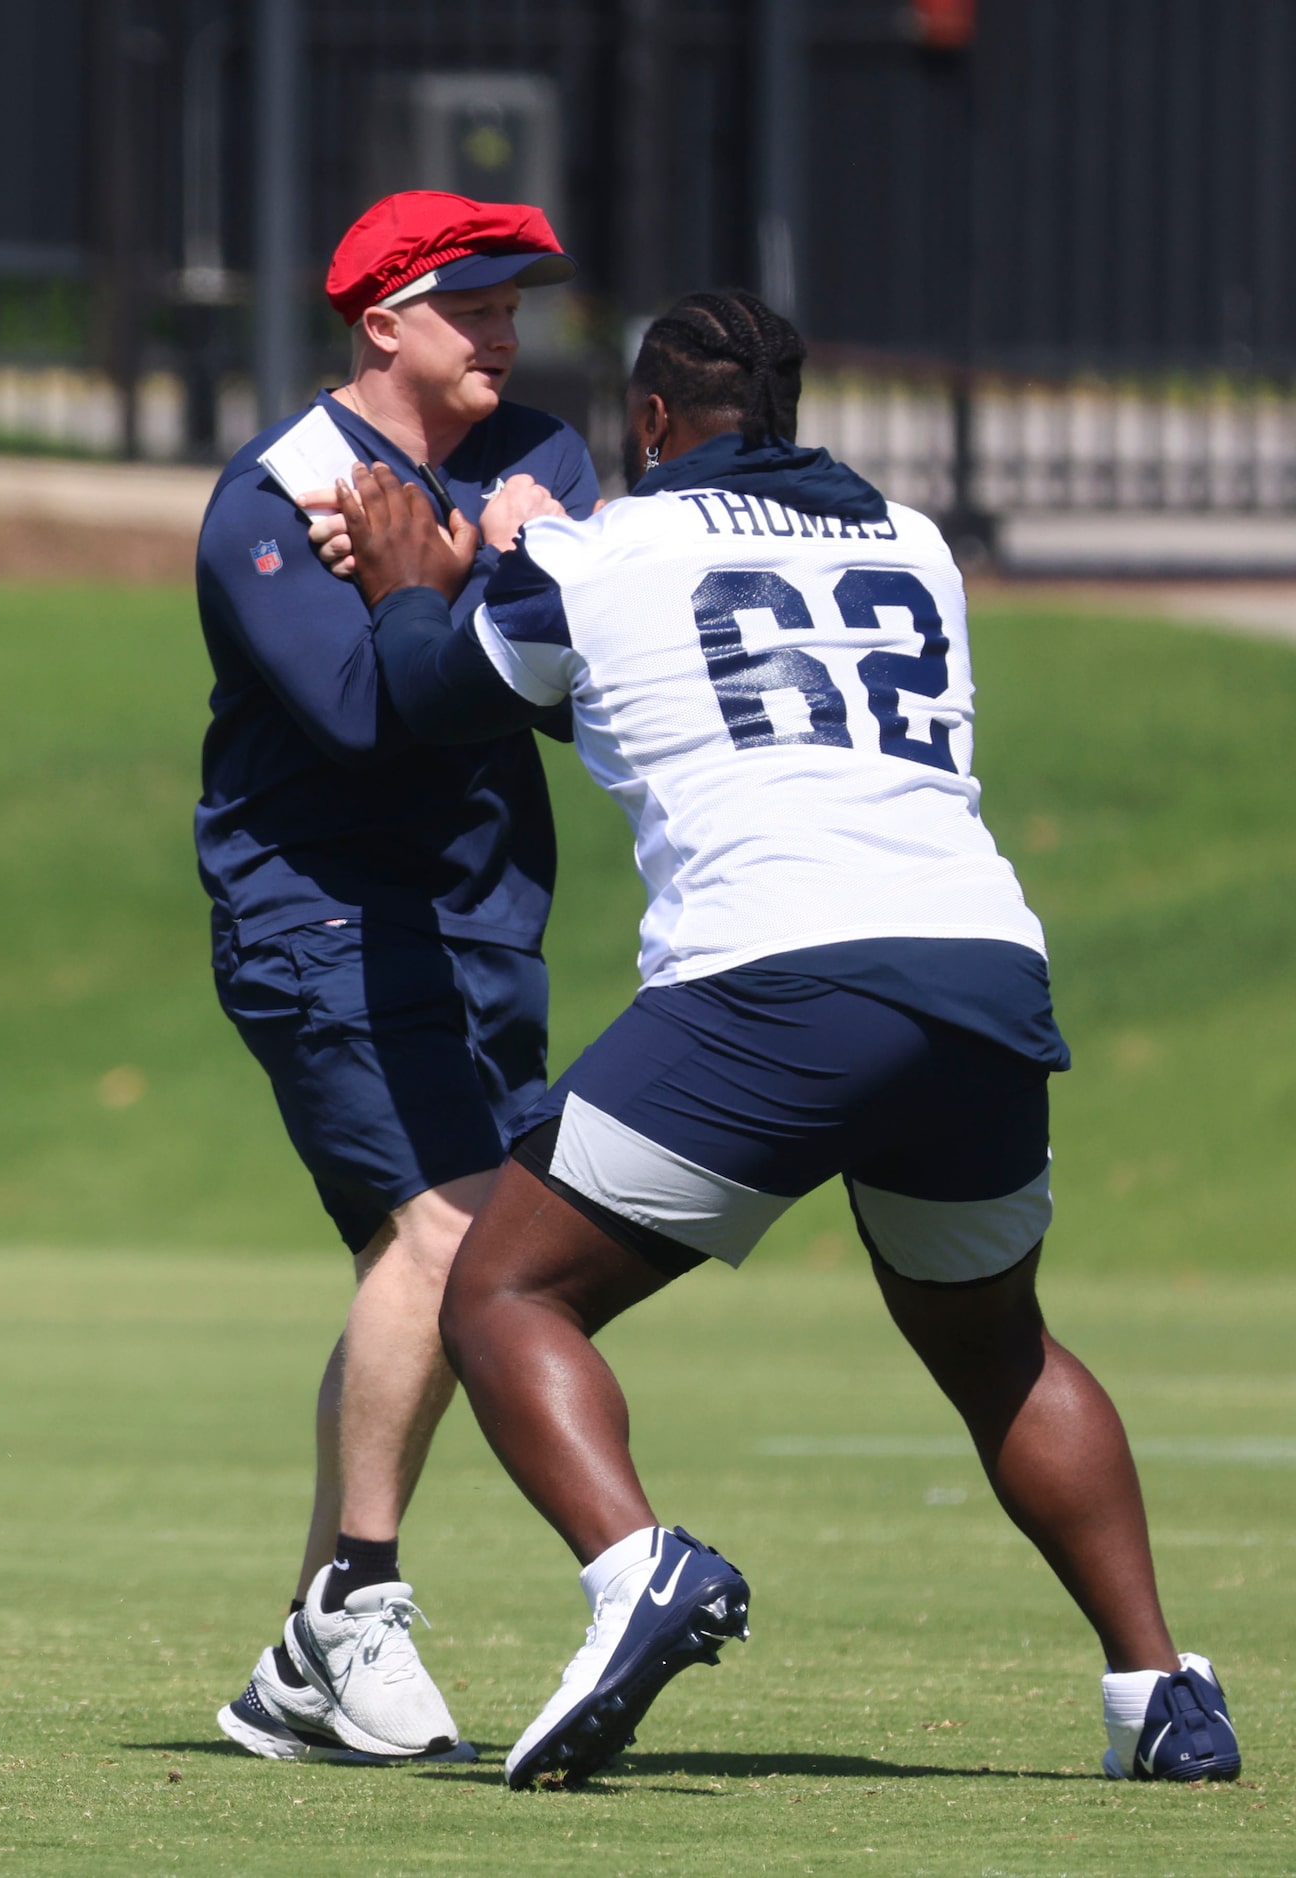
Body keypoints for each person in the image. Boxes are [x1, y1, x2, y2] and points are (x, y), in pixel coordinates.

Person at [316, 288, 1242, 1789]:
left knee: (501, 1290)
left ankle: (636, 1571)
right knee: (997, 1342)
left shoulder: (602, 553)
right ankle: (1163, 1687)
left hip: (782, 974)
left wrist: (426, 586)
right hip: (985, 969)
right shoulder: (919, 547)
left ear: (656, 424)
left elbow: (434, 701)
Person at [193, 191, 599, 1765]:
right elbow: (372, 714)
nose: (508, 330)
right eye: (474, 304)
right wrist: (475, 578)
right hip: (321, 916)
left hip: (487, 916)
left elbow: (573, 670)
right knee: (446, 1237)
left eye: (516, 304)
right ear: (381, 322)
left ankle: (306, 1648)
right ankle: (357, 1596)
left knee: (428, 1257)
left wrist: (428, 571)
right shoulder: (265, 496)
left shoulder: (540, 458)